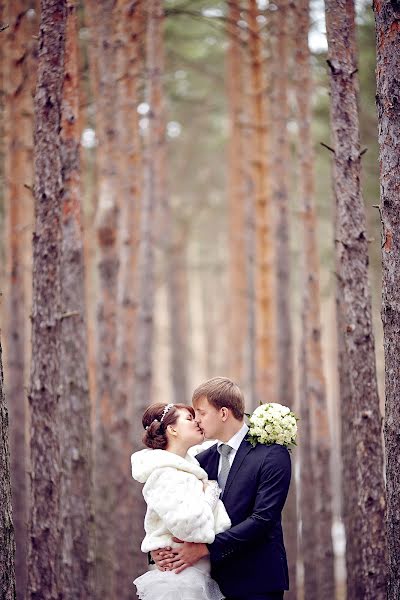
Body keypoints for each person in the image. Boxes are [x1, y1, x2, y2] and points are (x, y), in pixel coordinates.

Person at [153, 377, 292, 600]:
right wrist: (159, 552)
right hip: (210, 583)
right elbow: (178, 512)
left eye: (201, 413)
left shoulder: (272, 454)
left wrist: (205, 549)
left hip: (257, 582)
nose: (196, 420)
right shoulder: (201, 461)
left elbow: (263, 519)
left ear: (224, 413)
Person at [131, 402, 231, 600]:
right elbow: (191, 527)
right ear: (172, 429)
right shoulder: (165, 473)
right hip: (180, 581)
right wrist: (211, 494)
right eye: (189, 418)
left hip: (197, 574)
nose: (197, 422)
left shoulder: (186, 464)